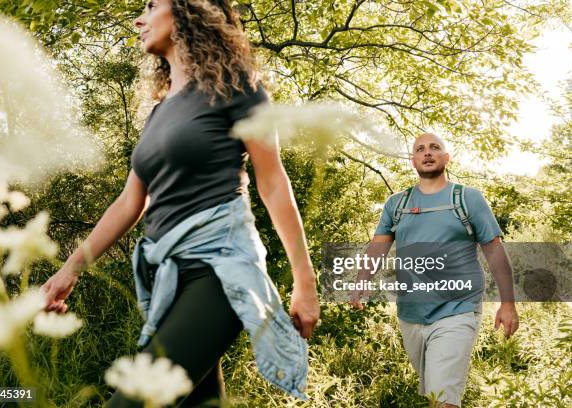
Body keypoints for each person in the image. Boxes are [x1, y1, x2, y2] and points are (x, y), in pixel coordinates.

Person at [40, 0, 320, 406]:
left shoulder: (237, 88)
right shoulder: (158, 114)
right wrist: (69, 270)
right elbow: (129, 202)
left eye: (152, 5)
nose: (140, 18)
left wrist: (304, 281)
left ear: (191, 10)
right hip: (169, 280)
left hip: (219, 272)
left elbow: (273, 183)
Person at [350, 133, 519, 408]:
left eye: (435, 147)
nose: (427, 152)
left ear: (446, 157)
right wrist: (361, 281)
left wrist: (508, 303)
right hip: (411, 314)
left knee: (443, 399)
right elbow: (378, 246)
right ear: (413, 160)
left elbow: (495, 251)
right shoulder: (397, 204)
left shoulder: (468, 199)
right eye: (420, 149)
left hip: (457, 311)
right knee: (434, 396)